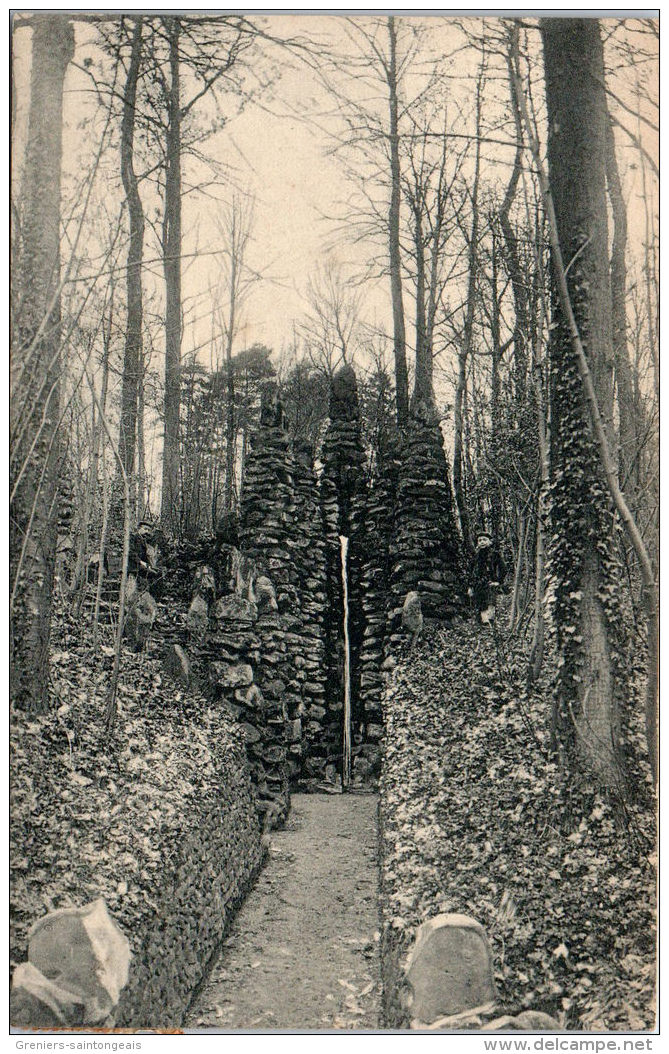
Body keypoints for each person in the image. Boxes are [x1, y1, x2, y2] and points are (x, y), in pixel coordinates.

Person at [470, 531, 506, 624]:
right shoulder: (476, 556)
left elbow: (503, 569)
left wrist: (498, 581)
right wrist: (470, 586)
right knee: (481, 605)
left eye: (484, 540)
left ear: (490, 542)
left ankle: (491, 624)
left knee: (490, 603)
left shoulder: (495, 554)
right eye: (479, 540)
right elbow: (471, 571)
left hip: (490, 583)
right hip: (478, 584)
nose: (482, 542)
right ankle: (484, 624)